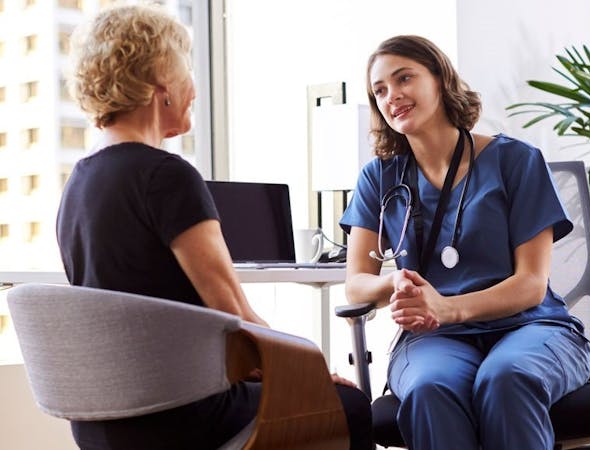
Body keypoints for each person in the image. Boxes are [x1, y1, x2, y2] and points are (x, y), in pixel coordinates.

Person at [56, 4, 371, 450]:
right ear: (159, 85)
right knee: (350, 405)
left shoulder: (79, 182)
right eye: (186, 71)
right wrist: (311, 370)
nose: (195, 91)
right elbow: (235, 315)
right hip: (179, 415)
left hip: (103, 421)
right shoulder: (166, 176)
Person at [340, 35, 590, 449]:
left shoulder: (516, 161)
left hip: (530, 326)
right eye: (380, 90)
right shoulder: (379, 178)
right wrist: (396, 284)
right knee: (430, 389)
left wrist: (449, 307)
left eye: (404, 78)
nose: (393, 96)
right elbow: (356, 283)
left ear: (440, 80)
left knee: (507, 378)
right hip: (433, 339)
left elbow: (531, 284)